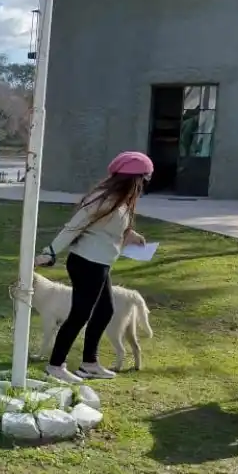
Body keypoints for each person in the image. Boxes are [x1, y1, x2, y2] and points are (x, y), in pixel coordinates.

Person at [34, 151, 153, 384]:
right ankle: (55, 365)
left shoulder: (118, 199)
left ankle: (89, 363)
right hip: (87, 263)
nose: (143, 186)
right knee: (79, 315)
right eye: (143, 180)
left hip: (100, 263)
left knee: (105, 311)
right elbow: (73, 226)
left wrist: (132, 236)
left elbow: (109, 227)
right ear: (133, 179)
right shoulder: (103, 199)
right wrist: (49, 252)